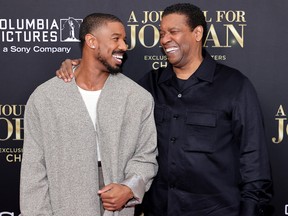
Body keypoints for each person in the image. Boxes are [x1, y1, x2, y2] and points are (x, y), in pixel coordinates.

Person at [56, 3, 273, 216]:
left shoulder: (235, 86)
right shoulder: (148, 86)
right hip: (157, 210)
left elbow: (254, 161)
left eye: (173, 32)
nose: (164, 39)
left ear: (197, 33)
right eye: (162, 33)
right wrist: (78, 66)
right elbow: (102, 86)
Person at [20, 13, 158, 216]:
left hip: (117, 206)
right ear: (91, 41)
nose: (124, 46)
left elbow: (146, 156)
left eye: (124, 40)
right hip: (63, 203)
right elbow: (34, 170)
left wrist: (129, 187)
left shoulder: (137, 97)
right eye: (116, 38)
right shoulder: (45, 98)